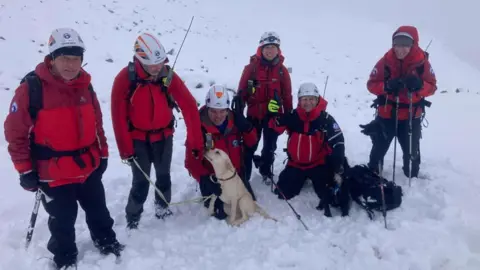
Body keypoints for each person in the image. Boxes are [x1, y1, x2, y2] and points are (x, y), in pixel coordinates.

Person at [4, 28, 123, 269]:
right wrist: (24, 170)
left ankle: (106, 242)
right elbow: (15, 133)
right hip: (53, 173)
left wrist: (103, 154)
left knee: (98, 210)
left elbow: (97, 123)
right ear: (52, 58)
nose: (71, 64)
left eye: (76, 58)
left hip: (88, 167)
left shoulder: (85, 86)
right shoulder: (32, 89)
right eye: (64, 58)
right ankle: (65, 257)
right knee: (62, 221)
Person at [111, 32, 204, 229]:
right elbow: (117, 116)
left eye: (160, 63)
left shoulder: (167, 76)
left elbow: (189, 106)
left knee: (163, 176)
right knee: (141, 182)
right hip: (138, 140)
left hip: (164, 137)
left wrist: (197, 141)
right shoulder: (125, 79)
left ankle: (162, 208)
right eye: (152, 64)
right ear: (139, 59)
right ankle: (133, 218)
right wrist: (125, 149)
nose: (157, 68)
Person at [362, 26, 437, 178]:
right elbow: (371, 84)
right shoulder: (385, 61)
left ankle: (412, 174)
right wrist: (386, 86)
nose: (400, 49)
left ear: (413, 45)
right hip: (386, 115)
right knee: (378, 150)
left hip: (411, 116)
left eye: (405, 45)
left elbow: (432, 87)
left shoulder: (422, 64)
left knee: (412, 157)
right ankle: (374, 171)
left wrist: (420, 86)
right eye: (397, 44)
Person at [269, 82, 345, 216]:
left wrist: (338, 163)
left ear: (317, 100)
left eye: (311, 99)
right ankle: (300, 178)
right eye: (304, 99)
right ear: (299, 101)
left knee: (329, 195)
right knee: (282, 193)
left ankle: (316, 179)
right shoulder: (293, 116)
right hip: (295, 164)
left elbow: (338, 141)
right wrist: (273, 113)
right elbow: (275, 127)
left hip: (318, 164)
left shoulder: (325, 119)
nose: (308, 102)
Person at [185, 85, 258, 219]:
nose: (218, 116)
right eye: (213, 111)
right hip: (213, 179)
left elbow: (251, 144)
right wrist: (204, 179)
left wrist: (247, 128)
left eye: (222, 111)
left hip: (234, 175)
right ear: (207, 107)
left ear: (227, 109)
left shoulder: (235, 121)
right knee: (221, 213)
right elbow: (191, 162)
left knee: (249, 205)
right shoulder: (198, 128)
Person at [236, 31, 293, 185]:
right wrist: (238, 115)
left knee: (270, 147)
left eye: (273, 47)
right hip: (253, 116)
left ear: (278, 50)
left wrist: (289, 117)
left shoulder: (282, 71)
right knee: (249, 146)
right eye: (267, 47)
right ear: (261, 48)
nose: (270, 51)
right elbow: (241, 93)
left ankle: (265, 171)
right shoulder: (251, 68)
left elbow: (287, 96)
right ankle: (244, 175)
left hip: (273, 117)